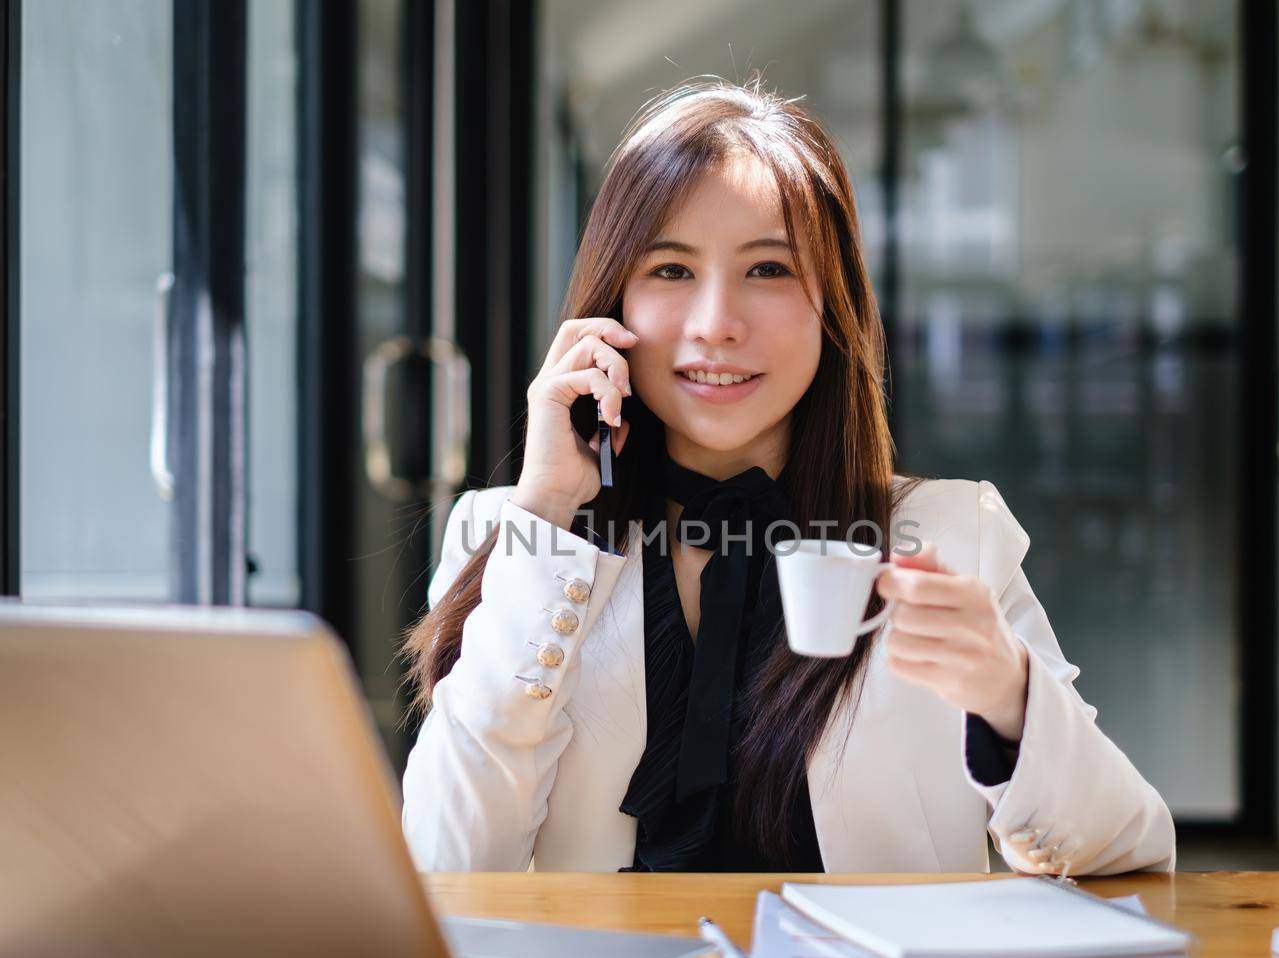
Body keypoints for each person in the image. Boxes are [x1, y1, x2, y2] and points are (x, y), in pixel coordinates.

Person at [398, 76, 1174, 876]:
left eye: (768, 269)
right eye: (670, 270)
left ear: (833, 306)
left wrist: (1010, 697)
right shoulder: (518, 533)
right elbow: (446, 862)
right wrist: (548, 510)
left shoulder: (948, 536)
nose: (715, 324)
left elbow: (1130, 849)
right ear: (611, 304)